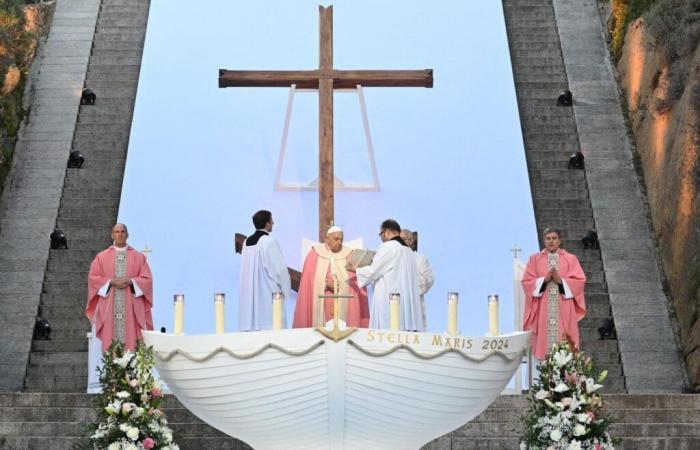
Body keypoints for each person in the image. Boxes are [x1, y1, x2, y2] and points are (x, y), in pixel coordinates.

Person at [86, 223, 154, 352]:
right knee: (111, 346)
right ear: (112, 235)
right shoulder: (101, 257)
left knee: (132, 346)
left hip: (131, 307)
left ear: (127, 235)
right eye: (116, 232)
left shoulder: (139, 257)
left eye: (122, 232)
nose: (120, 234)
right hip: (109, 307)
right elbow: (93, 278)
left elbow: (147, 280)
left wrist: (131, 282)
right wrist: (110, 282)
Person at [522, 227, 586, 360]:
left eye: (554, 238)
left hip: (564, 306)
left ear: (559, 240)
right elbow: (526, 282)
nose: (551, 241)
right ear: (544, 241)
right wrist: (543, 280)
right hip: (543, 309)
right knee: (545, 344)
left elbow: (580, 281)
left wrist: (560, 281)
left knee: (565, 343)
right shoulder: (535, 259)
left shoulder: (570, 259)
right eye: (548, 238)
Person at [353, 219, 423, 331]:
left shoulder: (388, 247)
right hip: (405, 304)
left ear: (387, 232)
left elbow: (374, 271)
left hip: (389, 300)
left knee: (386, 331)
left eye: (381, 234)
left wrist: (356, 269)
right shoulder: (408, 251)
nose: (381, 238)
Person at [293, 226, 369, 328]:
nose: (340, 242)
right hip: (322, 303)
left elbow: (355, 284)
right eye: (336, 239)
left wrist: (339, 285)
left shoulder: (349, 255)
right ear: (327, 239)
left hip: (343, 304)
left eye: (341, 239)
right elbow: (308, 282)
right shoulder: (314, 254)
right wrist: (324, 284)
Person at [238, 210, 291, 331]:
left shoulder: (246, 243)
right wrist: (285, 290)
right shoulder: (269, 241)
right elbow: (279, 270)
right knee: (272, 326)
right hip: (268, 295)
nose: (273, 222)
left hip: (250, 297)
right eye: (271, 220)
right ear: (267, 223)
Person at [400, 228, 434, 328]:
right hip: (395, 303)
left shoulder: (420, 259)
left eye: (403, 239)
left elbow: (428, 279)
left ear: (411, 241)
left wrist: (407, 285)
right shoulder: (392, 257)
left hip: (414, 305)